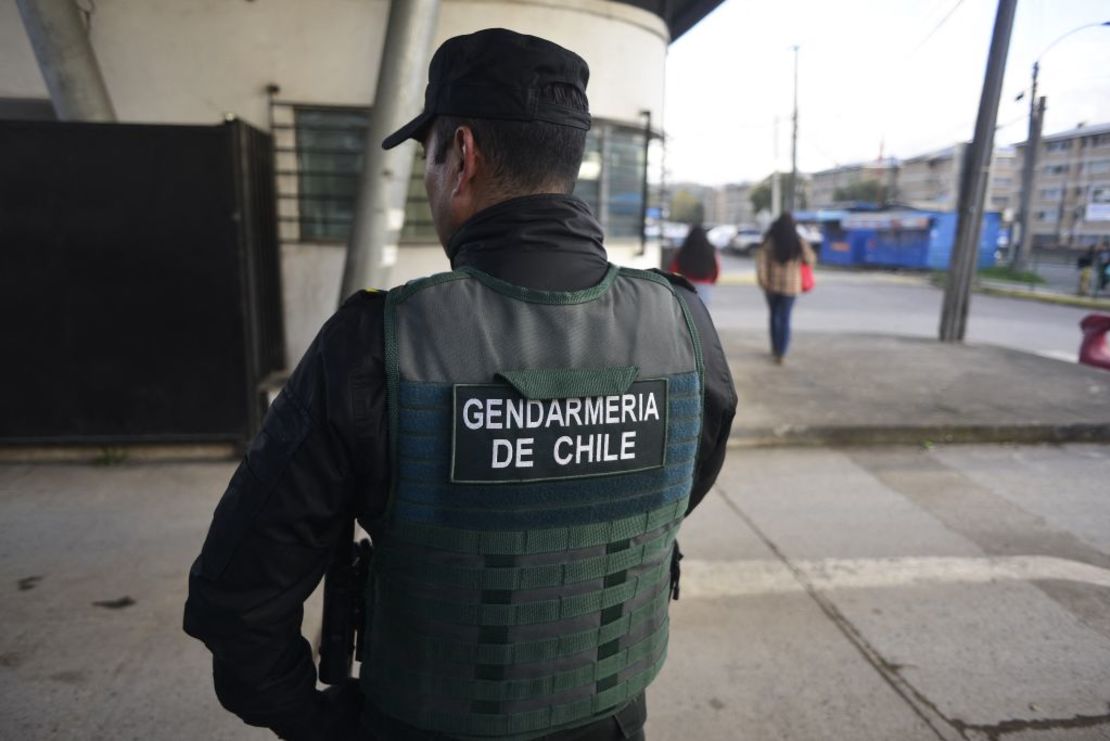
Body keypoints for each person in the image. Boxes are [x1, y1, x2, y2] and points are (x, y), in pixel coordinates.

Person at [184, 28, 737, 741]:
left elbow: (238, 599)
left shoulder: (375, 343)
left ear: (462, 156)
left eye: (429, 154)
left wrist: (319, 722)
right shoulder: (684, 322)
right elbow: (679, 487)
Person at [755, 212, 816, 364]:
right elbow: (810, 260)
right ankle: (782, 352)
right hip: (791, 287)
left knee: (774, 316)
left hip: (771, 285)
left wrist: (763, 281)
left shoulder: (770, 241)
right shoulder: (798, 241)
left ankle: (775, 348)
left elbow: (761, 263)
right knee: (785, 318)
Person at [668, 225, 720, 306]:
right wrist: (712, 281)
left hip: (687, 284)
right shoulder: (711, 249)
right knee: (703, 311)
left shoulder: (684, 250)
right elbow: (716, 268)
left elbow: (673, 268)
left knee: (688, 311)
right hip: (705, 285)